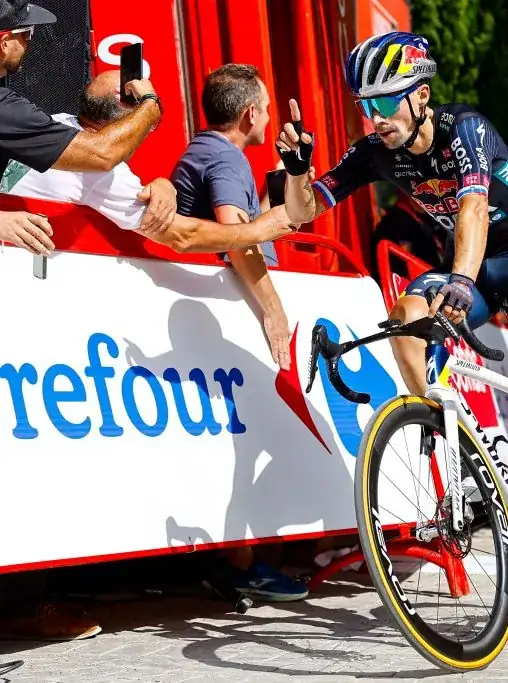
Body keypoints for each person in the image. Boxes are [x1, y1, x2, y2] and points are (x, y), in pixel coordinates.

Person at [276, 32, 508, 579]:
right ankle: (476, 445)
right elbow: (302, 213)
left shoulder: (465, 129)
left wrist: (461, 282)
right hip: (475, 263)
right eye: (364, 106)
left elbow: (472, 207)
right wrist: (299, 168)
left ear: (420, 95)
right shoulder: (376, 152)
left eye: (383, 102)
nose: (374, 117)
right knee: (406, 317)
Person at [172, 63, 307, 601]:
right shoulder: (225, 159)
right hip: (231, 307)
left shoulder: (211, 151)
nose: (271, 116)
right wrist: (273, 310)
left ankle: (249, 559)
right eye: (267, 108)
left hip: (219, 306)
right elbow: (237, 237)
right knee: (251, 435)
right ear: (249, 114)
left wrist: (286, 170)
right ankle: (242, 563)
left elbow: (264, 220)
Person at [1, 70, 299, 251]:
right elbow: (181, 236)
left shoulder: (54, 124)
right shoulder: (103, 173)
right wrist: (259, 231)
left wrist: (164, 186)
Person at [0, 0, 164, 255]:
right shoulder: (5, 110)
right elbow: (102, 154)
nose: (29, 43)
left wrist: (165, 185)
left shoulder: (14, 110)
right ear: (4, 43)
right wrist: (150, 103)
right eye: (26, 33)